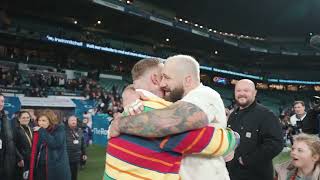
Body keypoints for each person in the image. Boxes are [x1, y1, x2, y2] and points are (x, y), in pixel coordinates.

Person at [109, 55, 230, 180]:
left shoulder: (205, 95)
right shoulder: (176, 98)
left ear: (187, 80)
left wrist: (119, 124)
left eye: (166, 78)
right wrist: (130, 93)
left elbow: (165, 122)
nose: (162, 83)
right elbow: (141, 89)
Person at [226, 79, 284, 180]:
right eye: (238, 91)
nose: (242, 94)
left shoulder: (266, 115)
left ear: (255, 93)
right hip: (232, 174)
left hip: (256, 175)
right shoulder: (232, 115)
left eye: (246, 90)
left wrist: (246, 160)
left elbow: (276, 144)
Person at [29, 109, 71, 180]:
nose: (41, 123)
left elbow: (55, 143)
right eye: (39, 120)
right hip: (40, 165)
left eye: (44, 120)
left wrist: (42, 131)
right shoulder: (40, 131)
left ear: (50, 120)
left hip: (55, 166)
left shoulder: (59, 129)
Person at [0, 93, 16, 180]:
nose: (0, 103)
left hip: (5, 156)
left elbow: (10, 138)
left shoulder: (5, 117)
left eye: (2, 101)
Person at [66, 116, 87, 180]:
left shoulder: (79, 130)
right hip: (66, 157)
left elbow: (82, 143)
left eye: (75, 120)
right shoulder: (64, 131)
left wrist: (84, 154)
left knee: (74, 175)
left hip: (76, 157)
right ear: (68, 121)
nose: (73, 122)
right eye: (72, 120)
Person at [14, 111, 33, 180]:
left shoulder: (31, 128)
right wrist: (19, 158)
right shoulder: (15, 130)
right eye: (23, 117)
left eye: (28, 117)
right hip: (21, 160)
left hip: (31, 159)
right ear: (19, 119)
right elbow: (13, 145)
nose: (26, 119)